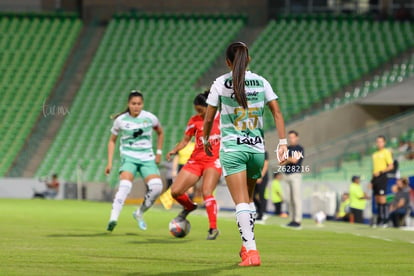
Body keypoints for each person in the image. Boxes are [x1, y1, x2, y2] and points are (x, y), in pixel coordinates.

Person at [203, 42, 288, 266]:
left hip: (233, 149)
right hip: (257, 150)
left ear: (227, 62)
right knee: (248, 200)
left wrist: (204, 139)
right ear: (248, 59)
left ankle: (252, 251)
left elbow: (209, 117)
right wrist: (282, 142)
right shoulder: (261, 82)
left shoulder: (220, 83)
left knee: (240, 202)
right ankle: (246, 246)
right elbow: (277, 113)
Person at [105, 90, 164, 232]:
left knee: (157, 187)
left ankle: (139, 213)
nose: (136, 106)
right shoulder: (121, 120)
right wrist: (110, 162)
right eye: (133, 104)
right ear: (128, 104)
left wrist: (158, 152)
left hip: (147, 158)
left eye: (139, 104)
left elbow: (160, 132)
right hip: (129, 157)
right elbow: (112, 141)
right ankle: (113, 218)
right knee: (125, 185)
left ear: (142, 104)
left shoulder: (150, 118)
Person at [166, 91, 222, 240]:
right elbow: (185, 140)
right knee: (175, 191)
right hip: (196, 161)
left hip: (213, 160)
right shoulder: (194, 120)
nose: (199, 113)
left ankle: (213, 228)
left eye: (201, 110)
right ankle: (190, 206)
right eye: (197, 110)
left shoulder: (223, 119)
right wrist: (174, 150)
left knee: (207, 191)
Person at [371, 135, 394, 227]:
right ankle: (379, 219)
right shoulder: (374, 154)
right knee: (377, 199)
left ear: (384, 143)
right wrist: (372, 179)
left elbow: (391, 166)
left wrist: (380, 172)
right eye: (377, 141)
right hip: (375, 178)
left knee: (382, 198)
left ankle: (385, 220)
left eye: (381, 141)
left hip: (382, 177)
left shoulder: (386, 152)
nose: (379, 143)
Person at [283, 130, 305, 228]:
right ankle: (292, 219)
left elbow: (295, 160)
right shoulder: (286, 148)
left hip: (295, 175)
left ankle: (297, 220)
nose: (291, 139)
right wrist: (288, 159)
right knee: (289, 199)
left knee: (296, 198)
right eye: (290, 137)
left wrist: (287, 158)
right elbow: (281, 161)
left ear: (297, 137)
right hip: (286, 175)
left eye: (292, 137)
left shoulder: (299, 148)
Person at [254, 151, 269, 222]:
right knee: (252, 196)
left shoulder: (264, 152)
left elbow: (265, 165)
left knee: (261, 195)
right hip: (254, 176)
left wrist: (260, 176)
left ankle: (262, 214)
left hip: (262, 178)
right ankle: (259, 211)